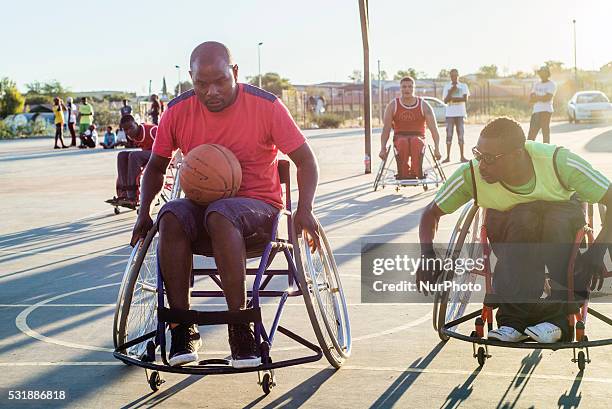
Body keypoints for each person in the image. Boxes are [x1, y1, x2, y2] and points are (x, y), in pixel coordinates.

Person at [130, 41, 319, 368]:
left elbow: (306, 161)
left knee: (221, 214)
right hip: (203, 214)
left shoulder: (266, 106)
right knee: (171, 214)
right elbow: (156, 167)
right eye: (201, 84)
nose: (211, 91)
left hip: (259, 213)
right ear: (190, 78)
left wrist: (304, 209)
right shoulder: (178, 110)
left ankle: (240, 326)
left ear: (235, 72)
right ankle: (181, 327)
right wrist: (144, 211)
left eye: (220, 81)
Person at [418, 117, 611, 343]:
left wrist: (597, 251)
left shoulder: (559, 162)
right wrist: (427, 254)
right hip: (513, 232)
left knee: (552, 219)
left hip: (560, 229)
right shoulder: (472, 174)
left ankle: (559, 320)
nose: (482, 164)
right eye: (478, 154)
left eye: (489, 159)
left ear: (518, 154)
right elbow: (431, 213)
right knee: (523, 216)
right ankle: (513, 321)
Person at [379, 76, 441, 179]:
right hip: (400, 137)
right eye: (404, 87)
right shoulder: (393, 105)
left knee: (415, 142)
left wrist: (437, 148)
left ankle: (416, 172)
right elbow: (386, 129)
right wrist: (382, 148)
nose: (407, 89)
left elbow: (434, 129)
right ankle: (404, 174)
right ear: (400, 88)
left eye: (410, 86)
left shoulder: (424, 105)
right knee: (403, 143)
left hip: (418, 137)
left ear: (414, 88)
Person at [106, 114, 156, 207]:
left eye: (131, 127)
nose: (129, 131)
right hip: (147, 154)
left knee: (134, 156)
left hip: (159, 154)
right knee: (122, 155)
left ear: (136, 124)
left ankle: (132, 196)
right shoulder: (130, 136)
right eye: (125, 130)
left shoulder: (152, 130)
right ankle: (123, 193)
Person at [442, 69, 470, 163]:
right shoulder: (447, 86)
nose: (454, 77)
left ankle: (462, 156)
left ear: (458, 75)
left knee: (461, 135)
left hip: (460, 114)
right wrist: (451, 92)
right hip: (450, 114)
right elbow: (445, 101)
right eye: (452, 75)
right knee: (449, 135)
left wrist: (452, 99)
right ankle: (448, 157)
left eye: (455, 75)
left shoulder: (463, 86)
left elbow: (465, 99)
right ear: (450, 76)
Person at [527, 66, 556, 144]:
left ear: (547, 73)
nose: (542, 74)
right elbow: (531, 98)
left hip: (546, 111)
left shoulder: (551, 84)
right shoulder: (537, 84)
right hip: (536, 111)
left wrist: (537, 97)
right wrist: (541, 97)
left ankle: (546, 152)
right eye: (541, 73)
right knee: (531, 135)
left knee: (545, 133)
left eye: (544, 72)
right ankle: (528, 153)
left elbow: (548, 98)